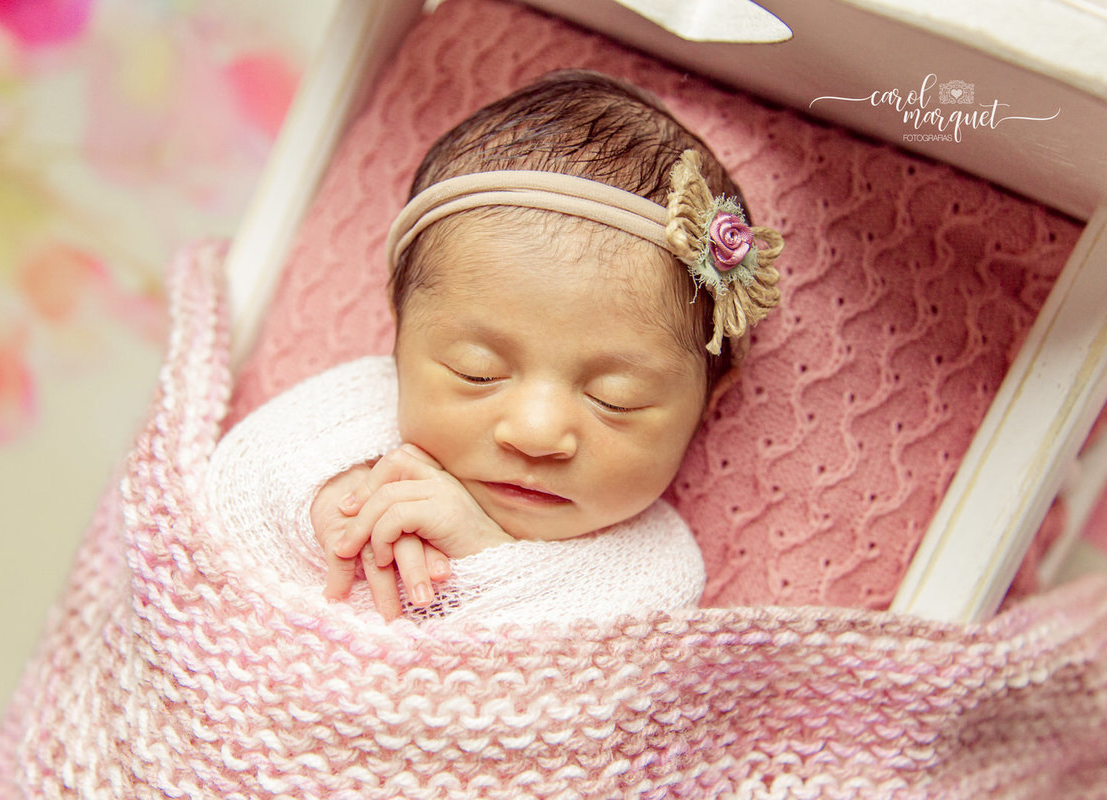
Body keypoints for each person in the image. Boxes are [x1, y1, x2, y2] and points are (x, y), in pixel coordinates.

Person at [207, 70, 783, 623]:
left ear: (707, 402)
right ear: (400, 337)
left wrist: (479, 557)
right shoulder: (354, 416)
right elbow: (232, 484)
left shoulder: (651, 565)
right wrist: (324, 509)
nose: (535, 434)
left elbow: (567, 688)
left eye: (616, 399)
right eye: (477, 372)